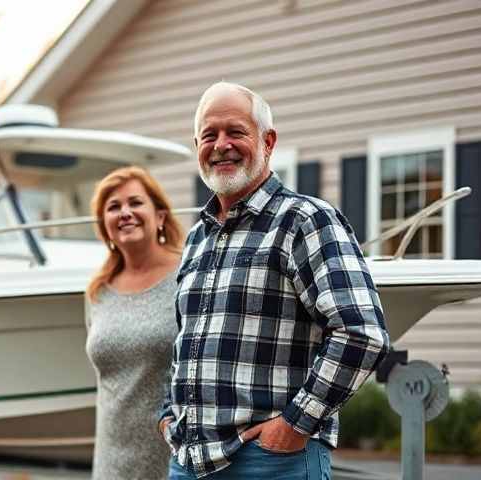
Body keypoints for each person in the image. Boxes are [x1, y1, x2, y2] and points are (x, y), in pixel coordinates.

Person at [159, 82, 391, 479]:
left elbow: (361, 333)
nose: (221, 145)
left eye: (235, 132)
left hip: (270, 463)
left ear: (268, 141)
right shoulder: (197, 237)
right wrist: (168, 415)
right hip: (188, 463)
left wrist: (296, 423)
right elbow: (186, 341)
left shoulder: (305, 220)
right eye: (209, 135)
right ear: (196, 144)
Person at [85, 166, 185, 479]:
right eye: (114, 208)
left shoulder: (189, 275)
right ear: (106, 227)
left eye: (135, 203)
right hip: (112, 460)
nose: (125, 213)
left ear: (160, 216)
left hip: (176, 457)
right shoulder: (97, 291)